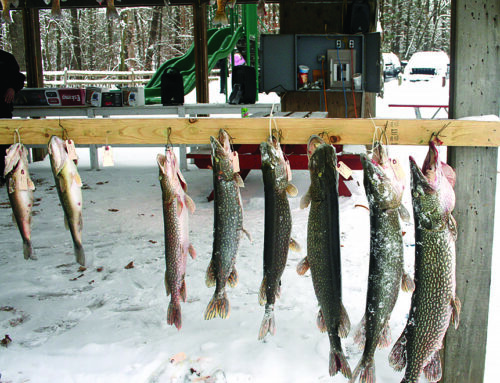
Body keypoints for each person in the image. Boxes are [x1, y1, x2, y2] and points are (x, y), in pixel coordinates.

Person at [0, 49, 25, 186]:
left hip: (3, 107)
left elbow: (19, 78)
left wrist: (12, 88)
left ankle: (5, 174)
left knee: (3, 144)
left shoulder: (7, 58)